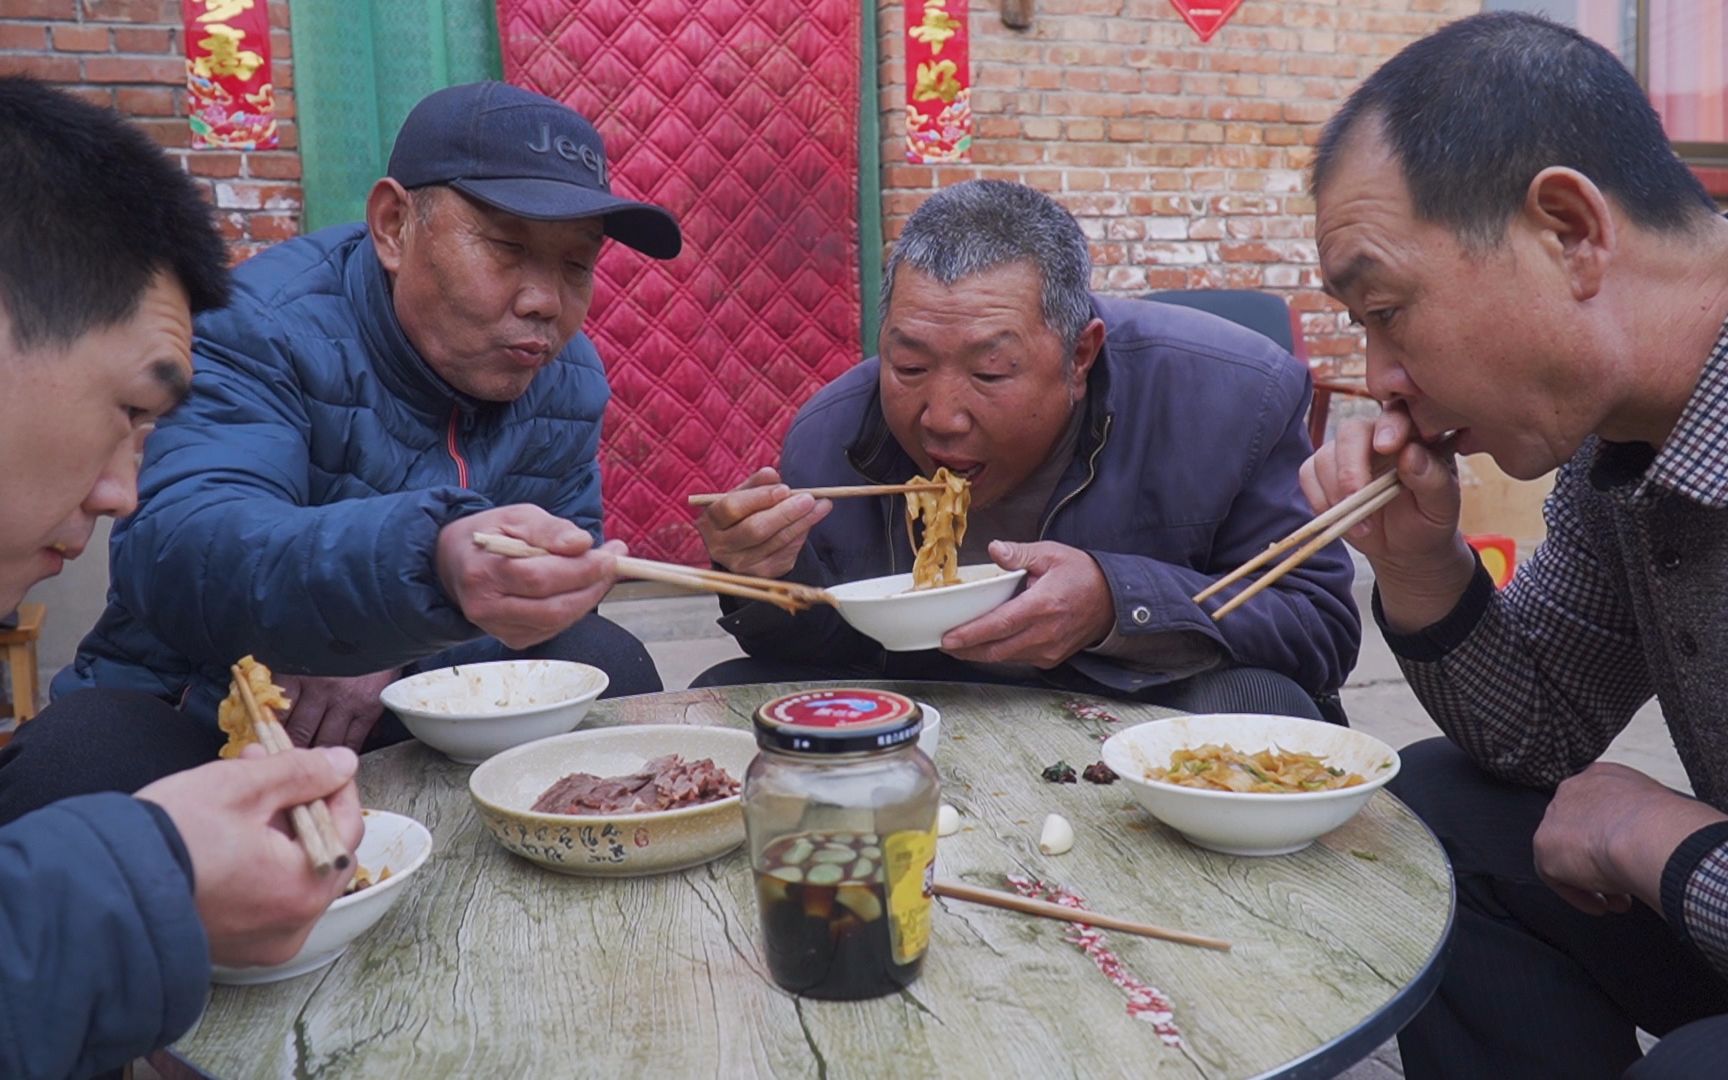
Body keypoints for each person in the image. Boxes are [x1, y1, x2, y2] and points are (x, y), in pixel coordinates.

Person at [1300, 12, 1728, 1078]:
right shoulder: (1616, 449)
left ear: (1571, 231)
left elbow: (1628, 826)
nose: (1383, 376)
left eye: (1389, 308)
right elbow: (1535, 736)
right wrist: (1419, 567)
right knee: (1433, 816)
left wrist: (1657, 839)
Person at [45, 81, 682, 768]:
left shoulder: (568, 373)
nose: (544, 302)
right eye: (505, 247)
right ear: (392, 226)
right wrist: (405, 583)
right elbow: (179, 548)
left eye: (577, 263)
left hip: (426, 695)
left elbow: (554, 588)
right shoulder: (260, 323)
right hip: (208, 703)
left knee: (606, 660)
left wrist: (391, 644)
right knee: (75, 756)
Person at [0, 76, 365, 1078]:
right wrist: (149, 876)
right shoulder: (283, 327)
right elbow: (199, 544)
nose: (124, 491)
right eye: (130, 410)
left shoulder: (563, 378)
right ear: (397, 221)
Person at [693, 180, 1360, 719]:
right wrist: (766, 579)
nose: (941, 419)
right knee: (731, 694)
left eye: (991, 373)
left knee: (1258, 703)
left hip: (1141, 710)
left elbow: (1319, 630)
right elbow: (821, 660)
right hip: (935, 712)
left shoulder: (1233, 398)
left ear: (1080, 356)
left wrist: (1115, 603)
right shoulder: (833, 433)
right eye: (909, 366)